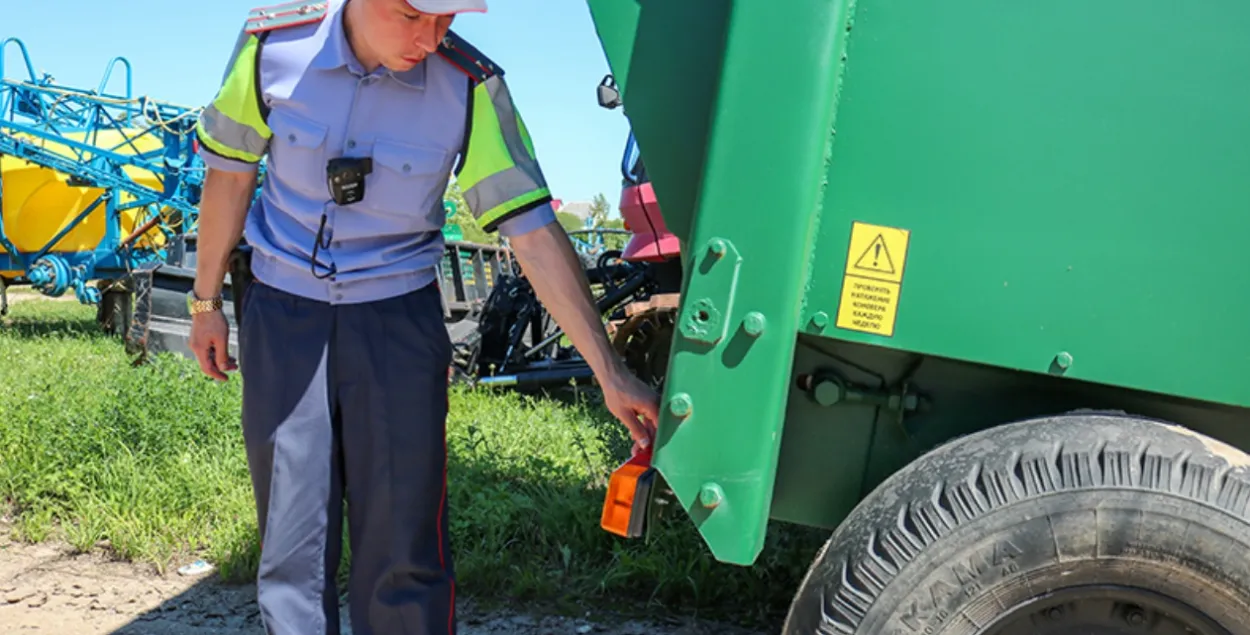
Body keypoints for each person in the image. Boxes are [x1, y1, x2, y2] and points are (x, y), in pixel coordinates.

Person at [185, 0, 661, 633]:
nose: (432, 38)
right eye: (413, 16)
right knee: (291, 553)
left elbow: (534, 231)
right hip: (284, 319)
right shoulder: (273, 48)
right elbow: (229, 178)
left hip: (395, 328)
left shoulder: (471, 86)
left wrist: (608, 371)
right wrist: (206, 303)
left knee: (404, 553)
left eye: (448, 19)